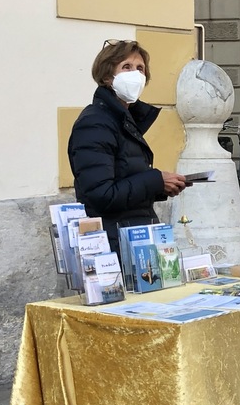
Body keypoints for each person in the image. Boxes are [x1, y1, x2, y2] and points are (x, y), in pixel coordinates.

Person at [68, 40, 186, 255]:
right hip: (113, 242)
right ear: (107, 77)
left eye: (140, 68)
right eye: (126, 67)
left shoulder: (125, 121)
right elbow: (101, 194)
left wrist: (162, 186)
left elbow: (127, 180)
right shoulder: (95, 122)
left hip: (137, 236)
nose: (136, 74)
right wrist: (155, 180)